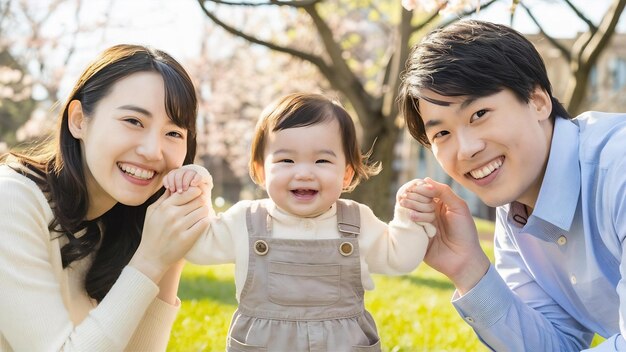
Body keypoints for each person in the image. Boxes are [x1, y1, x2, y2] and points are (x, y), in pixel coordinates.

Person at [398, 19, 626, 351]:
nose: (466, 149)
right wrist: (469, 269)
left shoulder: (618, 166)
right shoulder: (515, 218)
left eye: (479, 114)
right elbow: (553, 345)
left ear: (537, 101)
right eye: (442, 133)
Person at [164, 92, 436, 351]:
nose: (304, 172)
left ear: (346, 174)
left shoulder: (356, 221)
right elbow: (197, 247)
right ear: (260, 171)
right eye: (286, 160)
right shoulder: (246, 221)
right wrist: (197, 191)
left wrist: (409, 214)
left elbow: (400, 257)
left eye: (321, 160)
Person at [0, 44, 210, 351]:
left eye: (174, 133)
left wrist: (171, 256)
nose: (153, 151)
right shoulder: (12, 200)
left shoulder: (121, 219)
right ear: (78, 121)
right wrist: (150, 260)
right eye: (134, 121)